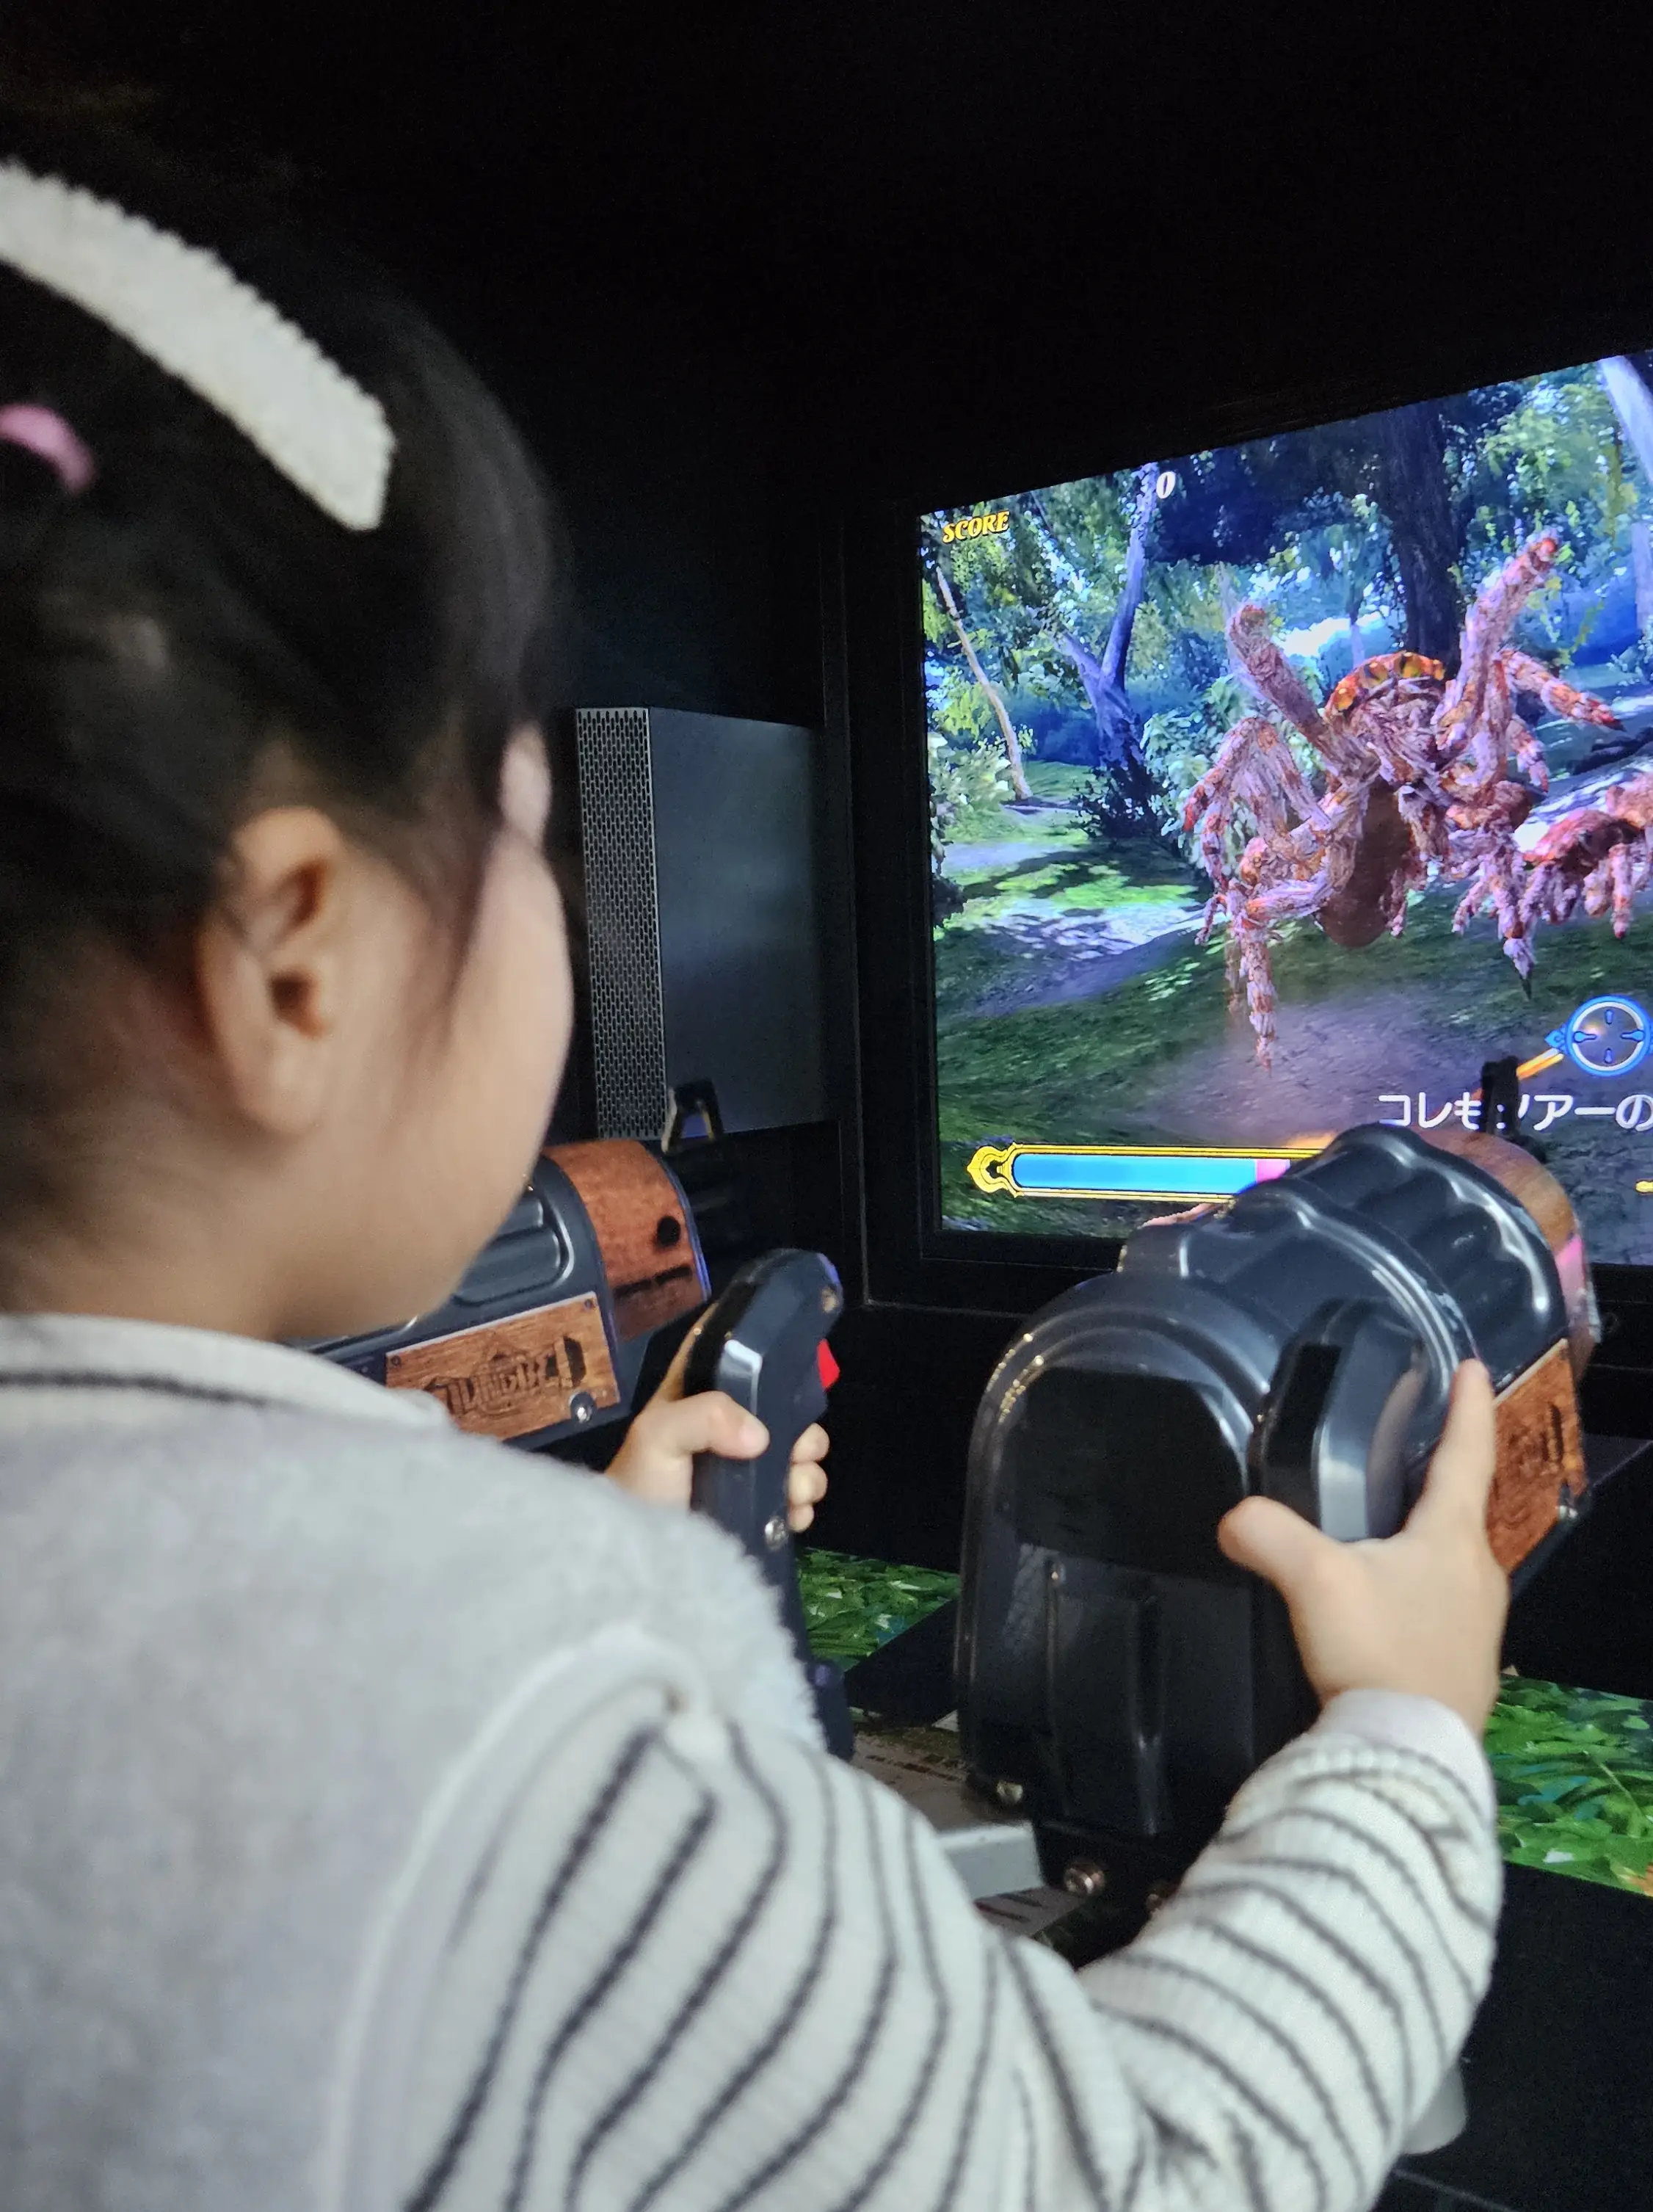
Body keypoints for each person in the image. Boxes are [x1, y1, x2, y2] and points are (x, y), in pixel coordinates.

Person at [0, 137, 1507, 2212]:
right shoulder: (536, 1680)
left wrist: (578, 1572)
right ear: (294, 963)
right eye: (527, 827)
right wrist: (1403, 1740)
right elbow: (1141, 2176)